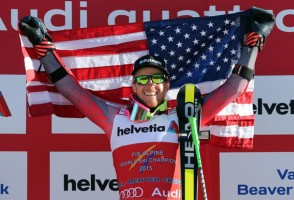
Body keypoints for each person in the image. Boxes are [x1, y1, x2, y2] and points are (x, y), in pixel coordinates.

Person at [19, 7, 274, 200]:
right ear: (134, 85)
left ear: (166, 85)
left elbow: (233, 88)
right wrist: (44, 50)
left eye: (156, 78)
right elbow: (70, 90)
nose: (150, 84)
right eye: (143, 78)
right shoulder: (114, 117)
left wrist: (252, 46)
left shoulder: (185, 116)